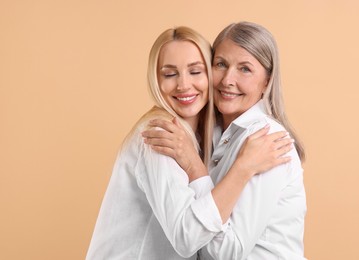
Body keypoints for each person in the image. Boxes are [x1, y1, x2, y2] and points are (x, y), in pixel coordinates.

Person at [86, 26, 294, 260]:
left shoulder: (249, 139)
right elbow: (189, 238)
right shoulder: (161, 134)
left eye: (195, 71)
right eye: (169, 74)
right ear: (156, 80)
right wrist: (241, 168)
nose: (183, 85)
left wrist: (197, 164)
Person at [143, 21, 307, 259]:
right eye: (221, 64)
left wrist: (195, 166)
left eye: (245, 69)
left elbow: (225, 252)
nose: (227, 80)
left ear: (267, 82)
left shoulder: (266, 141)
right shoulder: (215, 134)